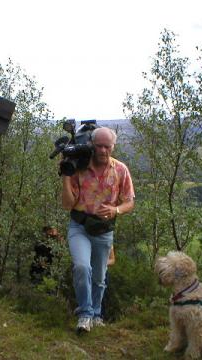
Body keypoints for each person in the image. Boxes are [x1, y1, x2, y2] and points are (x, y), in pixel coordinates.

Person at [61, 127, 134, 333]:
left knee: (99, 277)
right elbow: (68, 204)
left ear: (113, 146)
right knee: (82, 268)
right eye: (98, 145)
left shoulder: (121, 170)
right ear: (92, 145)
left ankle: (96, 314)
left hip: (103, 229)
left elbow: (130, 202)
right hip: (80, 226)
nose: (102, 150)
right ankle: (85, 314)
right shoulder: (79, 168)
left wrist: (116, 210)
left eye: (107, 146)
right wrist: (66, 176)